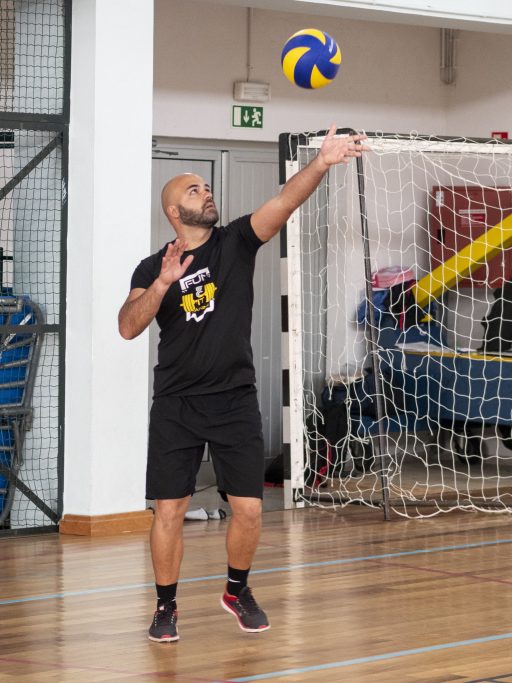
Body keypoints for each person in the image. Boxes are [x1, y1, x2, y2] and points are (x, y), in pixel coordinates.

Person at [118, 125, 369, 643]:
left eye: (207, 188)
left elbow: (284, 201)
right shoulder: (150, 267)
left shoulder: (235, 242)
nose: (206, 193)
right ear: (173, 211)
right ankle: (165, 606)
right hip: (177, 404)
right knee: (169, 510)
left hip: (234, 400)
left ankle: (237, 591)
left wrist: (321, 163)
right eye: (194, 190)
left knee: (250, 510)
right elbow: (127, 326)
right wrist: (163, 282)